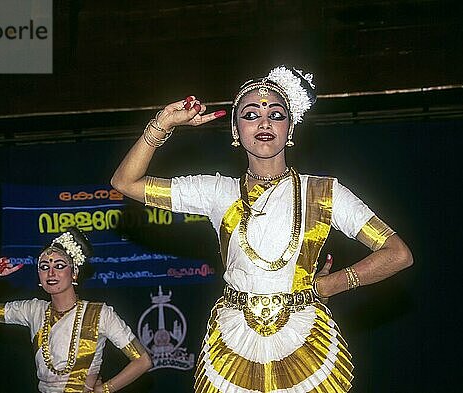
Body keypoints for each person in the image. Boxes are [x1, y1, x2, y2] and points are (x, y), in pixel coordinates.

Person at [110, 65, 413, 392]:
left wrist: (330, 286)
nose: (264, 122)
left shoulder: (324, 192)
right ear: (236, 132)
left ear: (290, 129)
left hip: (303, 336)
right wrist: (163, 124)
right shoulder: (217, 192)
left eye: (276, 114)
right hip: (234, 338)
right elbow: (125, 182)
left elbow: (397, 254)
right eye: (251, 114)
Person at [0, 227, 152, 393]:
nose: (51, 273)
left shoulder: (99, 314)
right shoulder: (33, 310)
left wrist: (104, 389)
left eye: (59, 266)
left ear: (74, 273)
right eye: (44, 267)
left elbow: (143, 361)